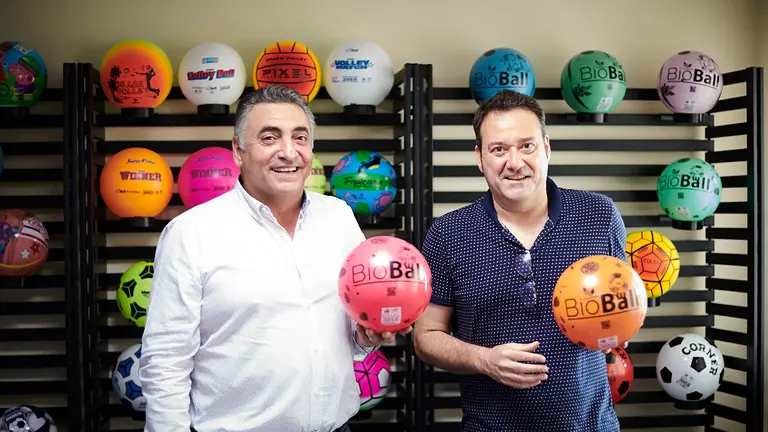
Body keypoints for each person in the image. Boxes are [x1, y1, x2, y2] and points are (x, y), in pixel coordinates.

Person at [139, 85, 407, 432]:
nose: (288, 152)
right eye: (269, 138)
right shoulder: (190, 233)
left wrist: (365, 338)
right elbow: (165, 361)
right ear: (238, 149)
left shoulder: (339, 217)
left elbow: (345, 334)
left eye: (300, 137)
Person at [412, 90, 628, 431]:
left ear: (547, 148)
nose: (514, 162)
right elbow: (426, 335)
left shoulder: (599, 215)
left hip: (591, 425)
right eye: (499, 149)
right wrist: (484, 360)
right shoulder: (447, 233)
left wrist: (619, 326)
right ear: (480, 157)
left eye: (526, 146)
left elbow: (620, 307)